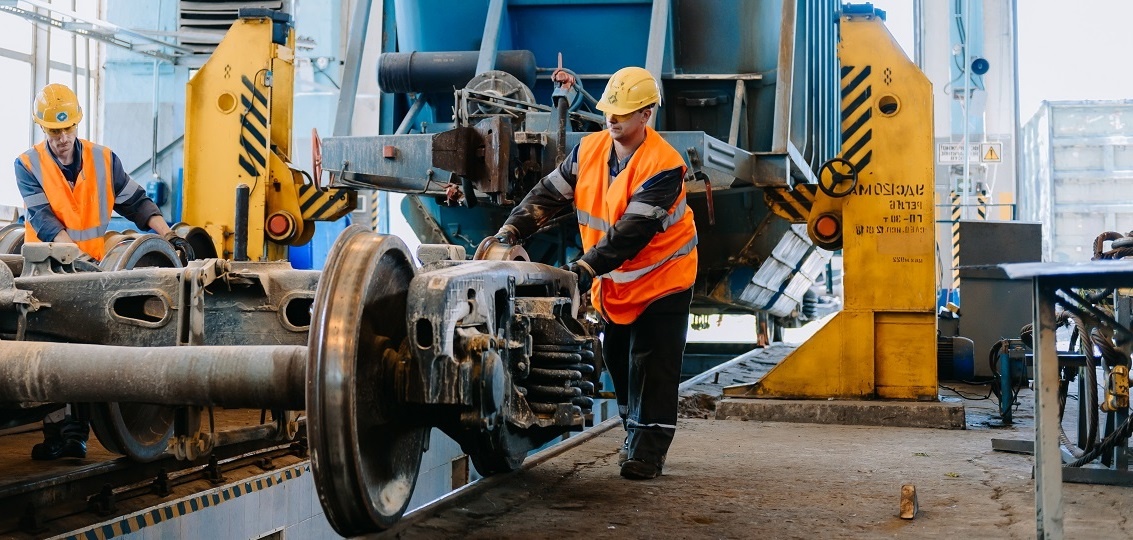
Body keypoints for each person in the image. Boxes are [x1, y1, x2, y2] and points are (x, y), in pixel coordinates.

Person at [476, 66, 697, 480]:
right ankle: (634, 430)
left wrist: (584, 268)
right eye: (609, 109)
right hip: (618, 284)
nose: (611, 118)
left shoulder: (664, 166)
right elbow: (547, 194)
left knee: (653, 363)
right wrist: (512, 228)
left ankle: (647, 452)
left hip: (665, 279)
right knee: (619, 357)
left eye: (623, 112)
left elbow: (631, 231)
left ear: (646, 115)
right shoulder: (589, 151)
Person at [14, 83, 193, 460]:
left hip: (96, 271)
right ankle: (63, 434)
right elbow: (43, 220)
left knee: (86, 350)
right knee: (51, 351)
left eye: (67, 130)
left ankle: (74, 435)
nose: (61, 139)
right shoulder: (27, 165)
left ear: (77, 123)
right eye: (53, 131)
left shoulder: (104, 160)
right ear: (42, 129)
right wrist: (75, 260)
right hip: (49, 274)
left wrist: (169, 234)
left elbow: (137, 202)